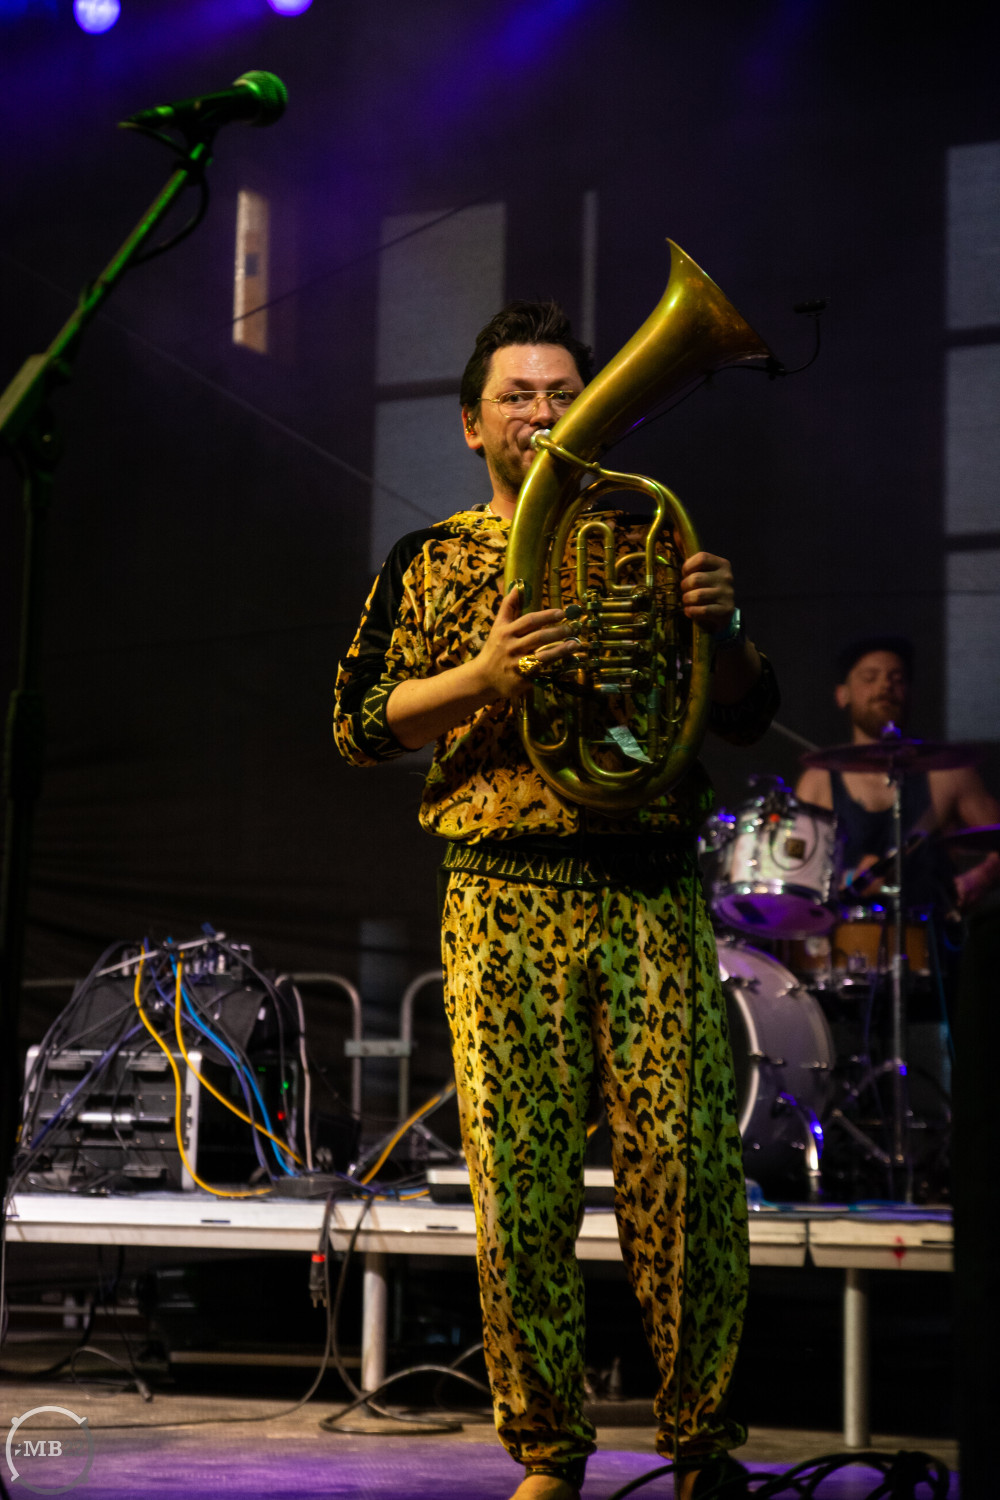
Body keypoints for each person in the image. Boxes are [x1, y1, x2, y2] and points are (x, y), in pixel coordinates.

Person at [333, 301, 780, 1500]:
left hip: (647, 888)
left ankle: (701, 1445)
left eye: (563, 393)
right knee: (519, 1189)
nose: (542, 412)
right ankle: (546, 1448)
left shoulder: (651, 534)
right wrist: (482, 676)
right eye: (518, 395)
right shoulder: (429, 558)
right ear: (470, 423)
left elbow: (742, 713)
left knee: (686, 1177)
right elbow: (358, 724)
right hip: (502, 894)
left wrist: (726, 632)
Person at [795, 637, 1000, 911]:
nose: (885, 686)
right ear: (842, 695)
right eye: (870, 678)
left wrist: (981, 878)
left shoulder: (949, 773)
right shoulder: (818, 781)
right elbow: (796, 878)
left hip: (930, 932)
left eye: (897, 679)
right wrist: (852, 880)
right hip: (844, 935)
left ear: (910, 693)